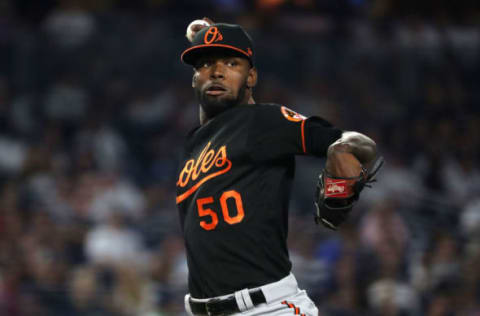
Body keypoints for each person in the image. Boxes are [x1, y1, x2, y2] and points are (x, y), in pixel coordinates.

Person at [176, 20, 378, 316]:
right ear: (194, 78)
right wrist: (207, 36)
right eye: (205, 64)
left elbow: (359, 144)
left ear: (251, 77)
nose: (217, 71)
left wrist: (342, 148)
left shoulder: (264, 121)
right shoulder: (194, 140)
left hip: (266, 308)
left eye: (232, 63)